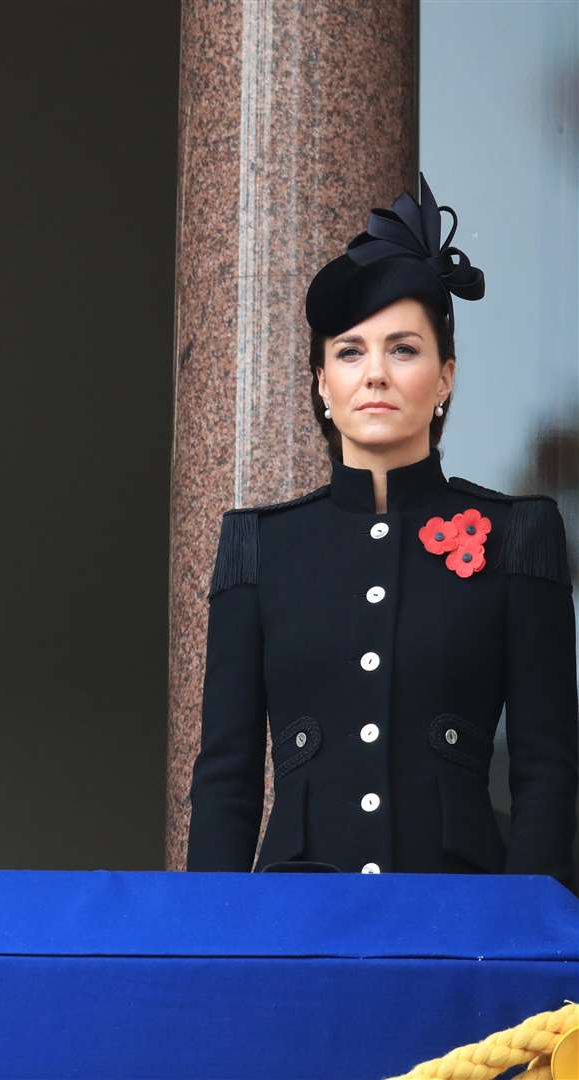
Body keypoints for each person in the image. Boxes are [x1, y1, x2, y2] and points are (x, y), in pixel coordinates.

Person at [187, 176, 576, 878]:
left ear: (445, 378)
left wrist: (527, 933)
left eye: (403, 349)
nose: (375, 375)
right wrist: (214, 947)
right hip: (294, 925)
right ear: (320, 385)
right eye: (349, 351)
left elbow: (547, 770)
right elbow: (226, 781)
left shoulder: (519, 535)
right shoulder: (260, 547)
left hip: (465, 921)